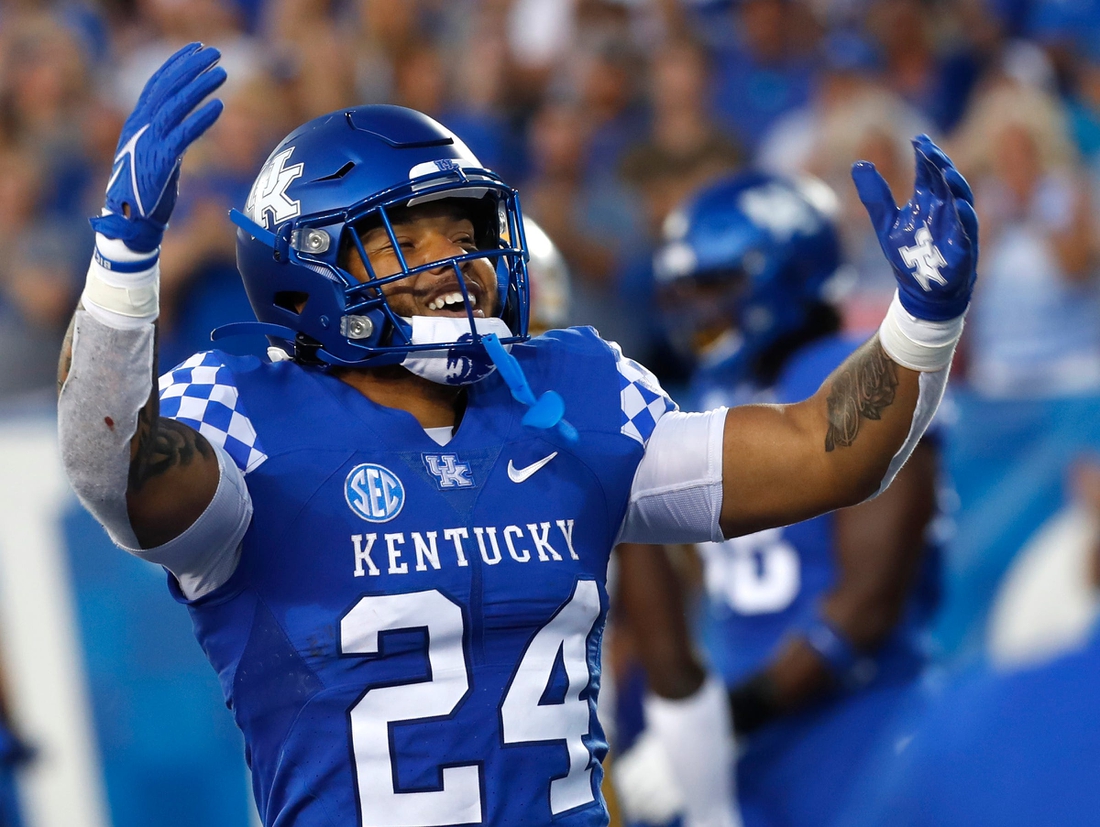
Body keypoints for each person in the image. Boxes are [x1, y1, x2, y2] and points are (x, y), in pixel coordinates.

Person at [56, 44, 977, 827]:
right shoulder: (245, 411)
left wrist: (923, 318)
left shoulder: (567, 390)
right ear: (308, 265)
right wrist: (123, 260)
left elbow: (831, 449)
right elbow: (110, 467)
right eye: (407, 242)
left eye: (468, 233)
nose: (459, 265)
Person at [615, 171, 942, 827]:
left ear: (783, 271)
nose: (697, 308)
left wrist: (732, 716)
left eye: (715, 284)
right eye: (685, 289)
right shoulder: (716, 393)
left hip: (860, 717)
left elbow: (867, 608)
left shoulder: (856, 368)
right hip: (756, 722)